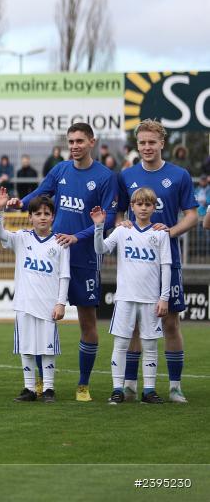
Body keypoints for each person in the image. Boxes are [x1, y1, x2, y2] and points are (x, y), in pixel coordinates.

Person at [9, 122, 117, 402]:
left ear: (92, 141)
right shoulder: (60, 170)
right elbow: (40, 194)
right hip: (53, 258)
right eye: (70, 141)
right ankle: (42, 385)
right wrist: (20, 203)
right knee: (42, 321)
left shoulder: (105, 177)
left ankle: (83, 385)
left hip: (85, 259)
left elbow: (109, 221)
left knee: (88, 324)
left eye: (80, 140)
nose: (74, 146)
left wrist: (77, 237)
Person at [115, 120, 198, 403]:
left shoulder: (179, 175)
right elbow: (118, 216)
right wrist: (121, 226)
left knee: (171, 323)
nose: (147, 147)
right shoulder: (126, 176)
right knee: (136, 326)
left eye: (152, 142)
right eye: (142, 143)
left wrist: (169, 233)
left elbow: (192, 215)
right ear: (137, 145)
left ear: (162, 143)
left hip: (166, 263)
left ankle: (175, 386)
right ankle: (129, 385)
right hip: (136, 265)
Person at [92, 190, 170, 405]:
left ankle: (149, 390)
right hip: (125, 297)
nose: (143, 208)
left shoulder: (161, 233)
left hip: (151, 299)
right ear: (132, 207)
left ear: (154, 207)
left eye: (148, 204)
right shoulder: (121, 230)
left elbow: (166, 267)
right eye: (139, 204)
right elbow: (101, 249)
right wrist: (99, 227)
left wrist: (164, 297)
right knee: (121, 343)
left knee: (150, 346)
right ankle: (118, 389)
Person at [0, 188, 69, 403]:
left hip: (48, 305)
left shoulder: (60, 242)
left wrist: (61, 303)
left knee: (47, 349)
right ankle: (29, 388)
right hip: (25, 303)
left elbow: (65, 276)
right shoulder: (22, 237)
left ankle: (49, 389)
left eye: (46, 214)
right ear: (30, 217)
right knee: (26, 347)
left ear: (53, 216)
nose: (42, 217)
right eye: (38, 214)